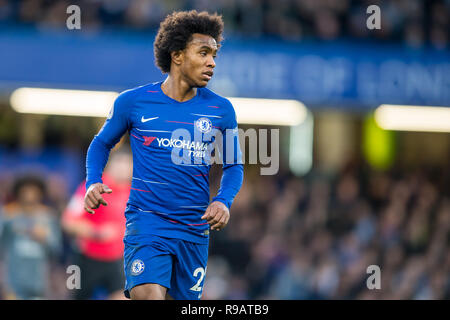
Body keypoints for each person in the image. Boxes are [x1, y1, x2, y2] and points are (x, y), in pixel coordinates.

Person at [84, 10, 244, 300]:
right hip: (147, 224)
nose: (212, 62)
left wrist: (223, 200)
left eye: (215, 55)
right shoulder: (133, 102)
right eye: (204, 52)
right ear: (177, 55)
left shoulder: (222, 111)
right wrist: (93, 181)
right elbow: (100, 144)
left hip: (194, 231)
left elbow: (234, 165)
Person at [62, 149, 132, 300]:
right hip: (84, 258)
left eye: (127, 164)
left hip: (117, 260)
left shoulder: (133, 192)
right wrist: (96, 233)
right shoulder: (92, 188)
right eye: (119, 163)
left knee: (122, 296)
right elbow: (68, 221)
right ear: (109, 165)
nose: (122, 168)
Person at [0, 176, 60, 299]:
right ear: (18, 192)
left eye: (33, 191)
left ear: (41, 193)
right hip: (13, 281)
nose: (29, 195)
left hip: (39, 282)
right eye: (25, 191)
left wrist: (45, 238)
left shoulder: (48, 217)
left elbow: (57, 250)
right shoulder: (8, 216)